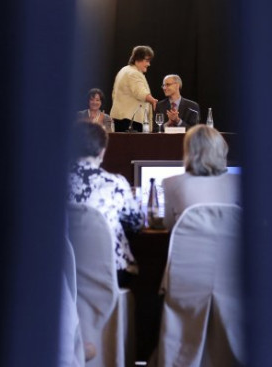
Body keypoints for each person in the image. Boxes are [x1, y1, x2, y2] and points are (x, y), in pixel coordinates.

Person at [67, 122, 144, 286]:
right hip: (110, 272)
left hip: (65, 273)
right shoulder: (115, 183)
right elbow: (136, 223)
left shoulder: (54, 183)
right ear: (102, 152)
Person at [162, 125, 241, 229]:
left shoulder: (170, 183)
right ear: (222, 150)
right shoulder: (239, 182)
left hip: (189, 245)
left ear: (189, 151)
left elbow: (169, 225)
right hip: (230, 245)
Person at [110, 45, 158, 132]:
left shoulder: (124, 70)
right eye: (147, 60)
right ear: (138, 59)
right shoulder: (133, 73)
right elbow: (140, 92)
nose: (148, 64)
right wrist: (152, 100)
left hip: (121, 119)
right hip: (131, 121)